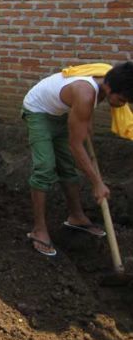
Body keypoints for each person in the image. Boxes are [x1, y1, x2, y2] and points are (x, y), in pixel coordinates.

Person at [23, 62, 133, 256]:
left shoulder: (106, 78)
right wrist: (97, 183)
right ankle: (39, 229)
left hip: (59, 113)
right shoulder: (85, 93)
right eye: (122, 99)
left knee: (67, 167)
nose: (123, 105)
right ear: (109, 88)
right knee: (45, 167)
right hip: (38, 110)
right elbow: (76, 146)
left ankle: (77, 217)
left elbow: (84, 118)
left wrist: (86, 127)